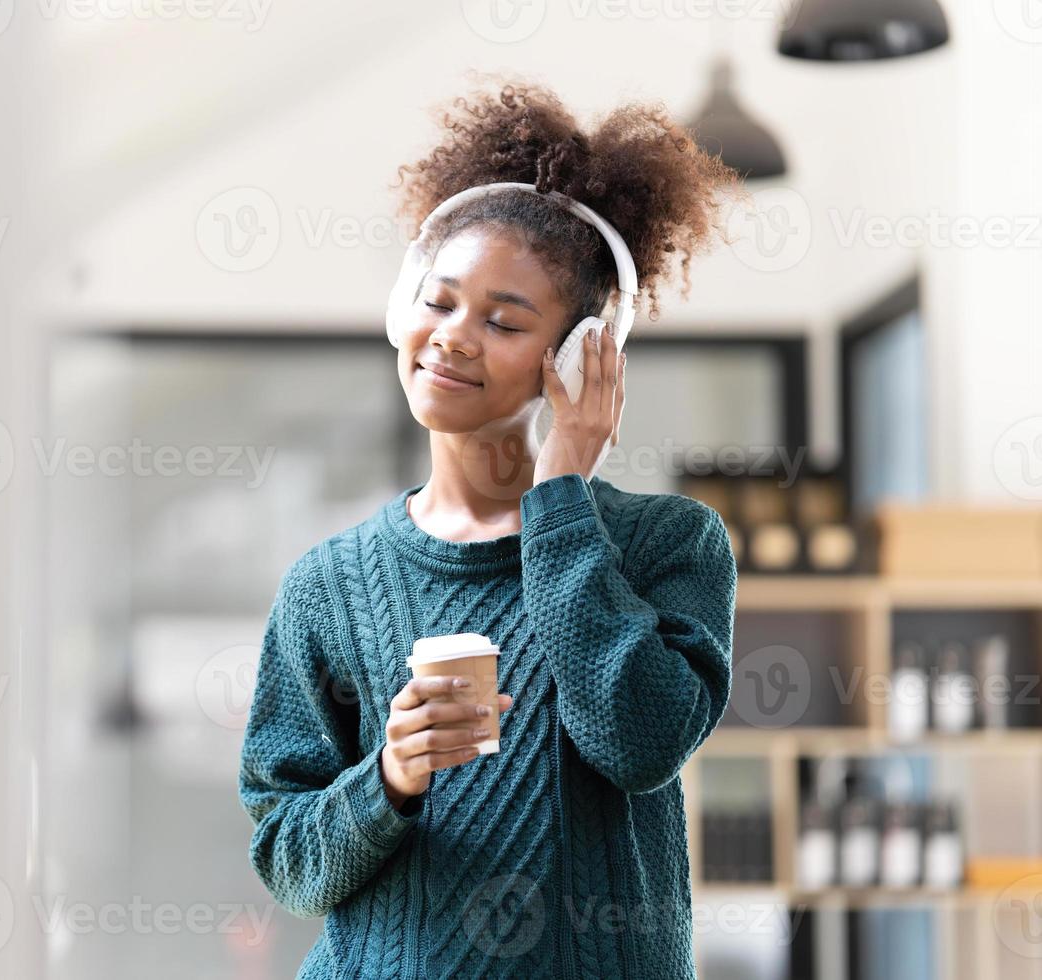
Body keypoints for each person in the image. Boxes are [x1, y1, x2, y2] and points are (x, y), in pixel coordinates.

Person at [238, 76, 742, 979]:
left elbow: (640, 741)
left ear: (583, 354)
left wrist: (560, 493)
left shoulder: (670, 545)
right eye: (438, 301)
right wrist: (389, 775)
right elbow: (289, 860)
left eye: (505, 321)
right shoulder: (329, 585)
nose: (455, 337)